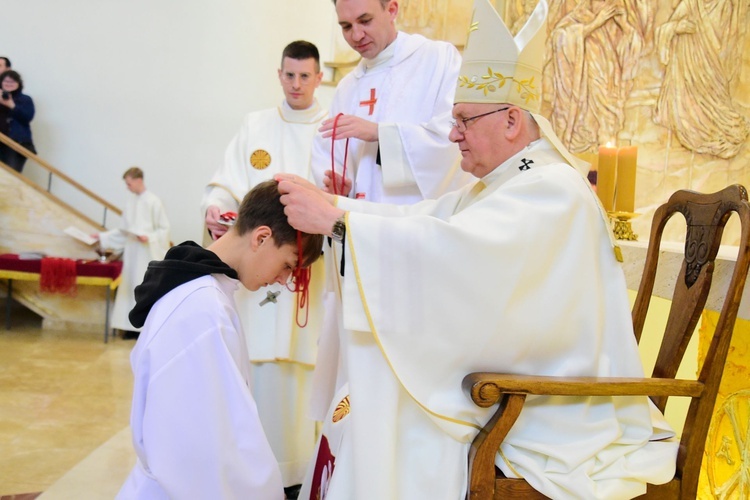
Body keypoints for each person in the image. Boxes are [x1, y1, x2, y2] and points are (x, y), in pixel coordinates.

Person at [277, 0, 678, 498]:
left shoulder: (553, 189)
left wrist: (339, 221)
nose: (452, 135)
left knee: (400, 407)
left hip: (550, 407)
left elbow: (458, 251)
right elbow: (428, 220)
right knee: (386, 388)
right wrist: (336, 206)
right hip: (518, 383)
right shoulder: (509, 181)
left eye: (464, 120)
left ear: (511, 120)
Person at [117, 180, 324, 499]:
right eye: (287, 265)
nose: (284, 281)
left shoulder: (202, 290)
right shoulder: (203, 308)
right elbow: (213, 446)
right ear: (262, 237)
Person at [200, 40, 327, 491]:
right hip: (258, 276)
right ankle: (250, 477)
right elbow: (223, 186)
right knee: (252, 367)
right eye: (289, 75)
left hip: (308, 272)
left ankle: (295, 477)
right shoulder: (255, 126)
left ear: (319, 77)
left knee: (301, 373)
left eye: (305, 76)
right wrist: (215, 207)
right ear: (280, 75)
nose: (296, 84)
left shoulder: (330, 130)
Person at [311, 0, 470, 204]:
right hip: (358, 221)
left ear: (392, 10)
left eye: (365, 21)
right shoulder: (347, 87)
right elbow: (331, 155)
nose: (356, 36)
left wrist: (379, 133)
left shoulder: (438, 60)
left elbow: (455, 138)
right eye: (346, 26)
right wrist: (341, 188)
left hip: (415, 218)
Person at [654, 0, 749, 159]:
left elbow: (733, 35)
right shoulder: (692, 3)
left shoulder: (726, 5)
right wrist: (677, 27)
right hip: (690, 76)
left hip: (714, 72)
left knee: (722, 112)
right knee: (691, 117)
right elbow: (664, 29)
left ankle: (716, 121)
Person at [95, 167, 170, 339]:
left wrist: (149, 237)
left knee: (143, 288)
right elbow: (123, 231)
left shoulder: (154, 201)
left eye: (129, 183)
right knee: (129, 288)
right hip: (132, 253)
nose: (127, 187)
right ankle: (128, 327)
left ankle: (144, 329)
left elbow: (164, 229)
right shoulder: (130, 203)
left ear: (138, 180)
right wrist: (100, 237)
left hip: (146, 254)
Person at [0, 70, 36, 173]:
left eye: (12, 82)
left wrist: (12, 105)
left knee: (12, 176)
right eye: (6, 81)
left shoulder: (25, 99)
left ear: (18, 84)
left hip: (16, 145)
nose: (9, 84)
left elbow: (27, 117)